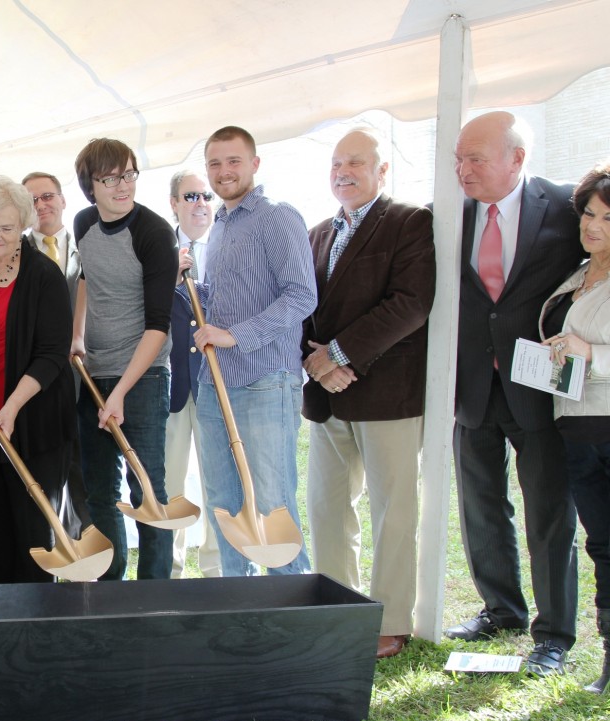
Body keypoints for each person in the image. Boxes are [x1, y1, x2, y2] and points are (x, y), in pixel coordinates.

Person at [446, 111, 584, 678]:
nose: (463, 169)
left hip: (539, 390)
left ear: (518, 159)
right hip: (473, 386)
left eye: (476, 157)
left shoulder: (568, 205)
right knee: (480, 505)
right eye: (458, 157)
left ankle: (553, 635)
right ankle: (500, 608)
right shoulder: (445, 213)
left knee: (549, 512)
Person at [302, 129, 435, 659]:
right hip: (328, 396)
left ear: (383, 171)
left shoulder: (408, 221)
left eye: (356, 162)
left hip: (387, 395)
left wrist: (338, 355)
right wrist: (317, 363)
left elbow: (411, 303)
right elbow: (300, 307)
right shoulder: (316, 233)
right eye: (336, 163)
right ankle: (339, 607)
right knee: (328, 508)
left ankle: (392, 619)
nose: (343, 171)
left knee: (392, 511)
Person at [194, 125, 316, 577]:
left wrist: (236, 335)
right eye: (214, 163)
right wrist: (193, 287)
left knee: (271, 505)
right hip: (214, 383)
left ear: (254, 164)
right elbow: (229, 298)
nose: (223, 172)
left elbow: (301, 295)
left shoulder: (277, 216)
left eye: (233, 161)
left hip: (265, 379)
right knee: (224, 504)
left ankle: (293, 613)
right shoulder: (220, 225)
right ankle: (238, 609)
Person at [0, 176, 75, 583]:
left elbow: (51, 355)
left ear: (23, 224)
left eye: (6, 228)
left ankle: (33, 621)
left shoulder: (44, 275)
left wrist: (11, 407)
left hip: (28, 421)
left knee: (30, 531)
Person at [70, 138, 178, 581]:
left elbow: (159, 325)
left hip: (143, 378)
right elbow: (86, 280)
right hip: (94, 373)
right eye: (110, 178)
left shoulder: (154, 233)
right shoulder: (83, 224)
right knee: (99, 493)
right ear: (89, 186)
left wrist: (119, 392)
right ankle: (112, 588)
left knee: (148, 492)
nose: (122, 186)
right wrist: (77, 335)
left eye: (129, 174)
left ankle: (154, 594)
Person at [538, 162, 610, 692]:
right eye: (589, 213)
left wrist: (590, 354)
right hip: (577, 425)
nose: (594, 226)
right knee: (603, 546)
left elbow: (592, 351)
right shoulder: (581, 273)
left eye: (608, 218)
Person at [22, 170, 92, 538]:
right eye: (32, 200)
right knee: (45, 472)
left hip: (86, 376)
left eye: (47, 196)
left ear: (63, 200)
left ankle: (84, 544)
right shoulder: (14, 253)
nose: (41, 205)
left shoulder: (90, 247)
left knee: (84, 466)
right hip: (39, 382)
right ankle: (47, 545)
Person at [165, 169, 221, 579]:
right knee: (169, 482)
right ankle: (170, 570)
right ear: (174, 203)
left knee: (220, 480)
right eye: (190, 196)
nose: (200, 203)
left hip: (217, 384)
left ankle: (218, 569)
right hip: (170, 386)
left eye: (206, 196)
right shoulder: (157, 251)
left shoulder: (228, 247)